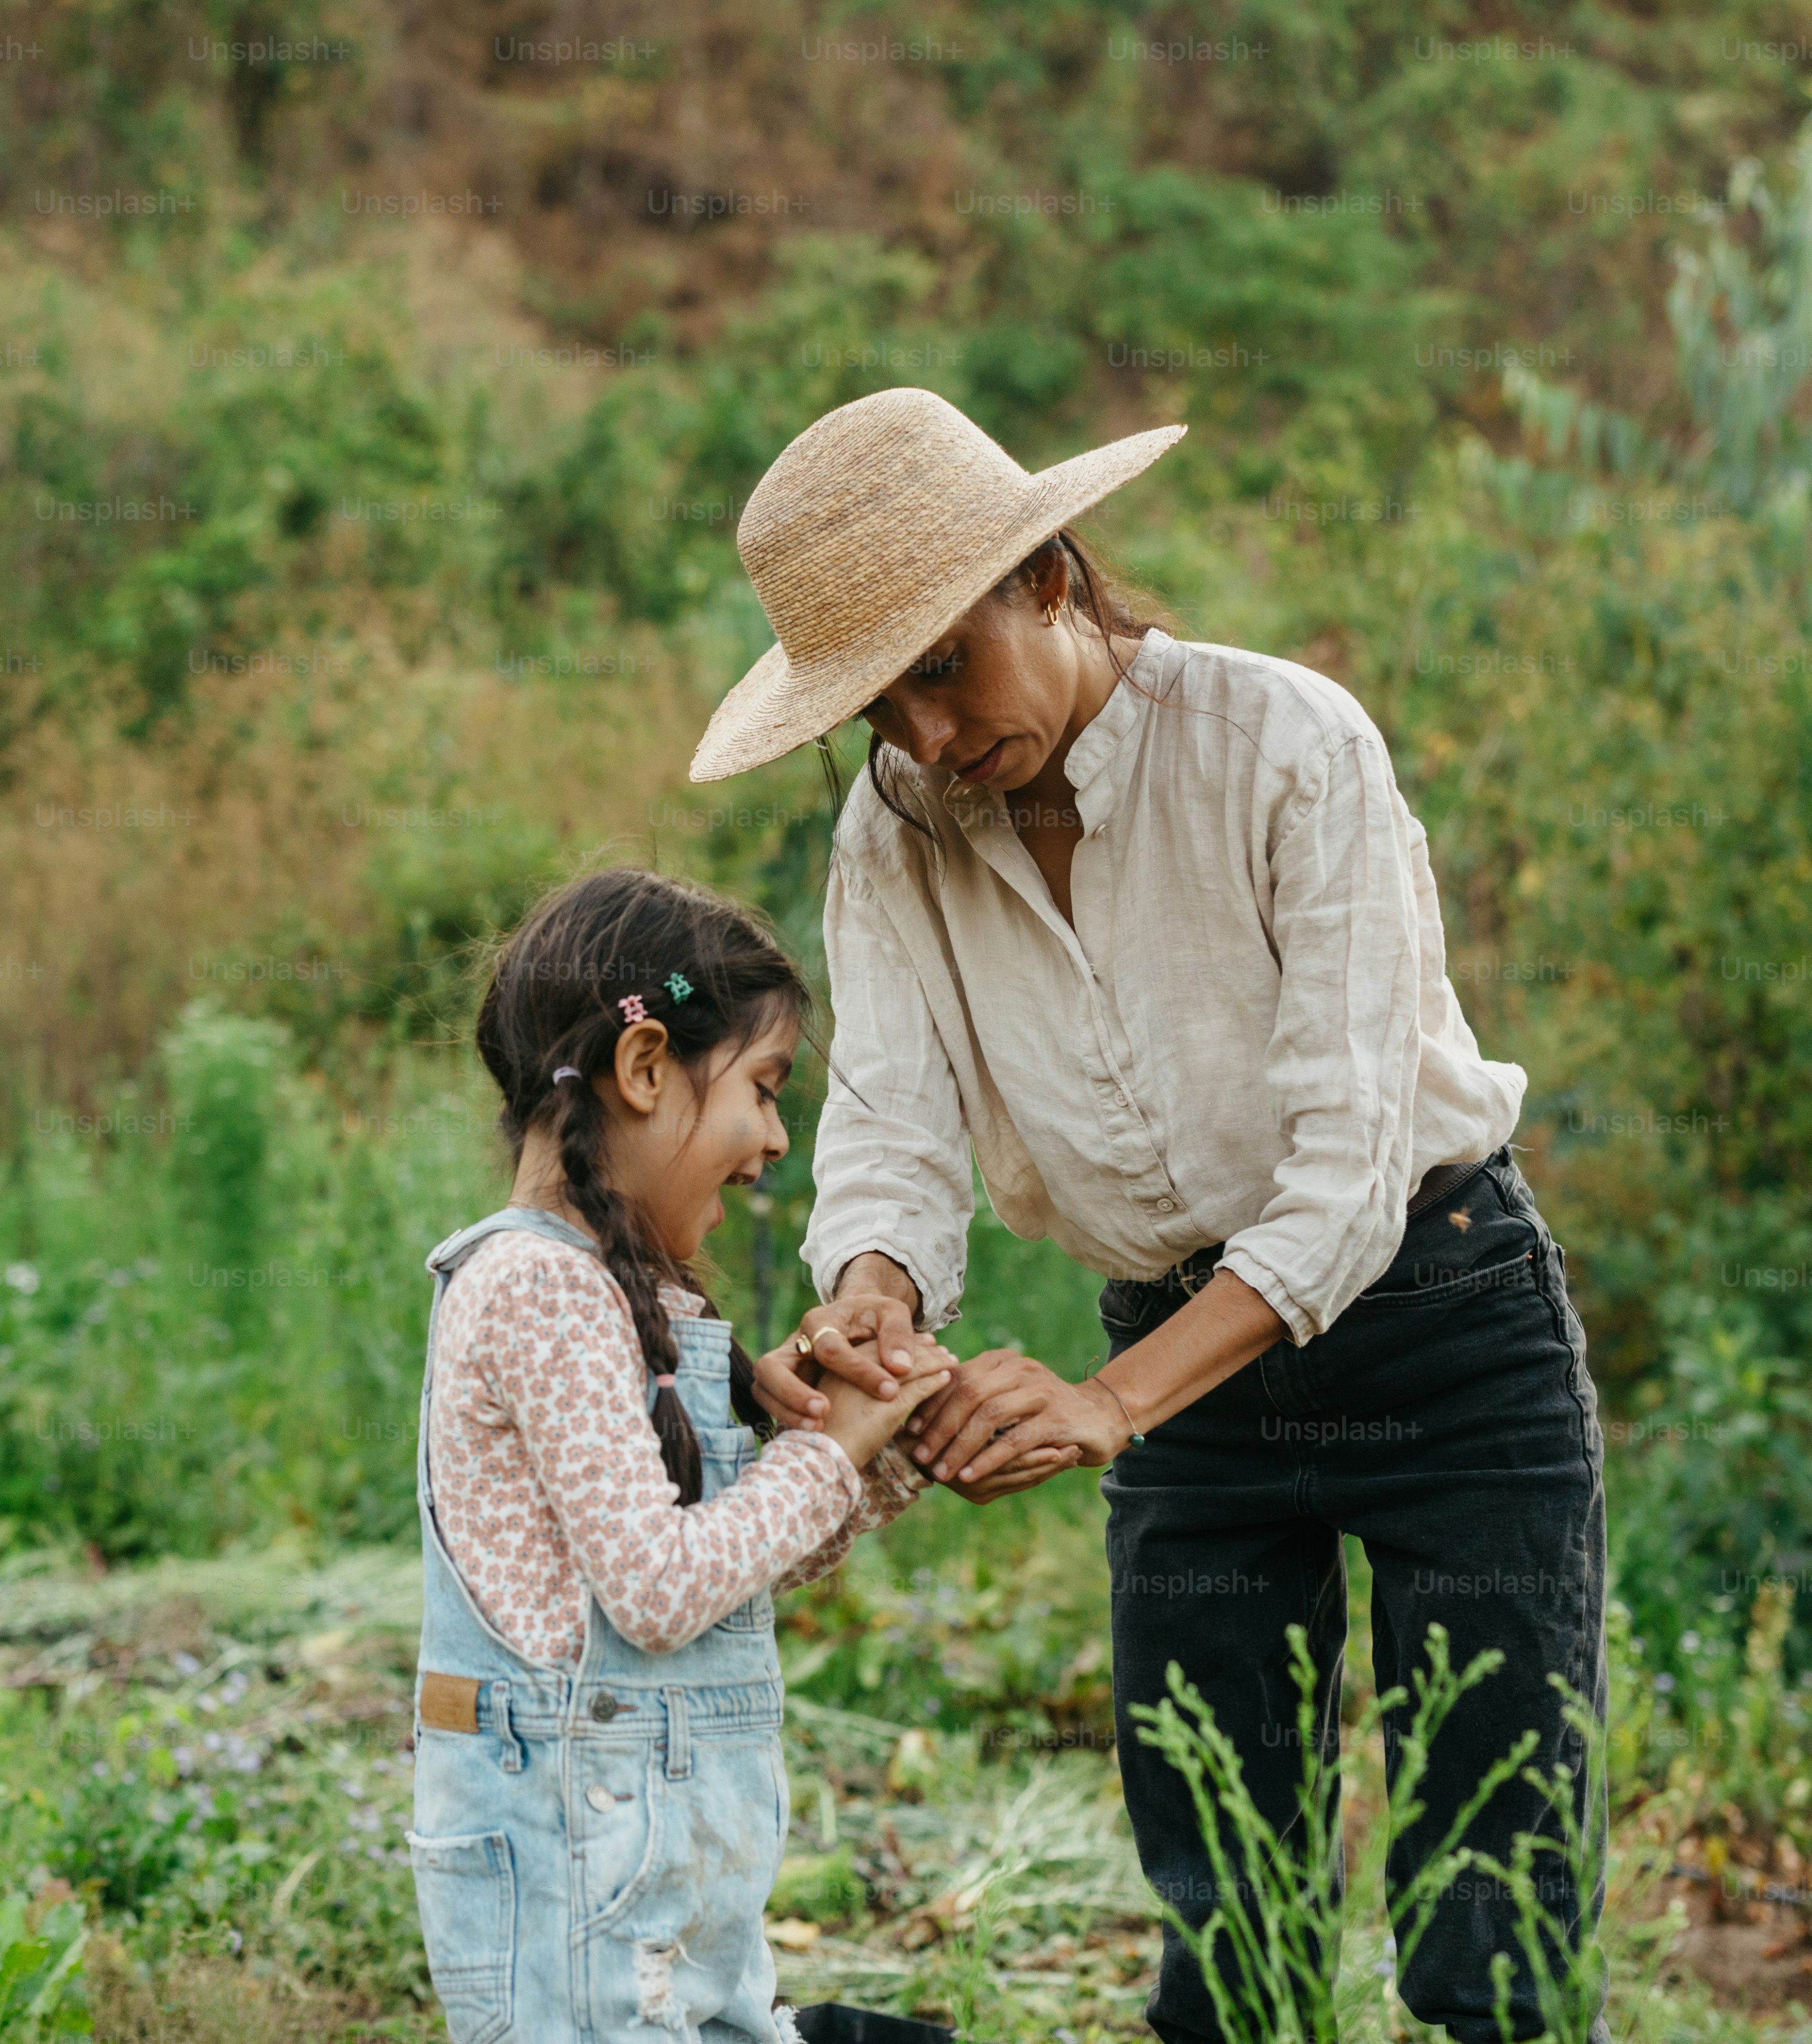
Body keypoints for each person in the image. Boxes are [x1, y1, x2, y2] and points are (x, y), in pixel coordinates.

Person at [695, 387, 1609, 2044]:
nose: (925, 735)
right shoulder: (889, 837)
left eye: (944, 666)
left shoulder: (1287, 745)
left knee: (1496, 1909)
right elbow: (896, 1124)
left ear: (1050, 577)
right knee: (1227, 1914)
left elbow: (1345, 1178)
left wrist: (1108, 1405)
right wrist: (878, 1296)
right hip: (1181, 1365)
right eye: (879, 706)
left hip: (1443, 1325)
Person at [406, 869, 949, 2042]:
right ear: (645, 1067)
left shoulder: (629, 1295)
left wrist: (879, 1451)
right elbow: (657, 1593)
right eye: (762, 1087)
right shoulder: (541, 1287)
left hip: (660, 1883)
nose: (775, 1139)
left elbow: (713, 1586)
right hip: (580, 1901)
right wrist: (830, 1456)